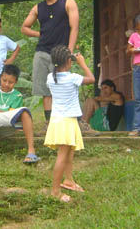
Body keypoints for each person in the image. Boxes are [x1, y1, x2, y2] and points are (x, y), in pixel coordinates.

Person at [21, 0, 90, 132]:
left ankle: (78, 123)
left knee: (67, 87)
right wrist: (40, 34)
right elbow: (24, 27)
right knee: (46, 91)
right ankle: (49, 123)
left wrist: (70, 51)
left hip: (61, 53)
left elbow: (74, 27)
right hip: (42, 51)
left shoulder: (68, 2)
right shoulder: (38, 7)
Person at [44, 45, 95, 203]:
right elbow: (92, 79)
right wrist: (83, 64)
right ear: (68, 61)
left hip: (59, 120)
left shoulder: (50, 78)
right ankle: (55, 191)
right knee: (62, 156)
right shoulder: (73, 78)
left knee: (69, 152)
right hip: (66, 121)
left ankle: (69, 180)